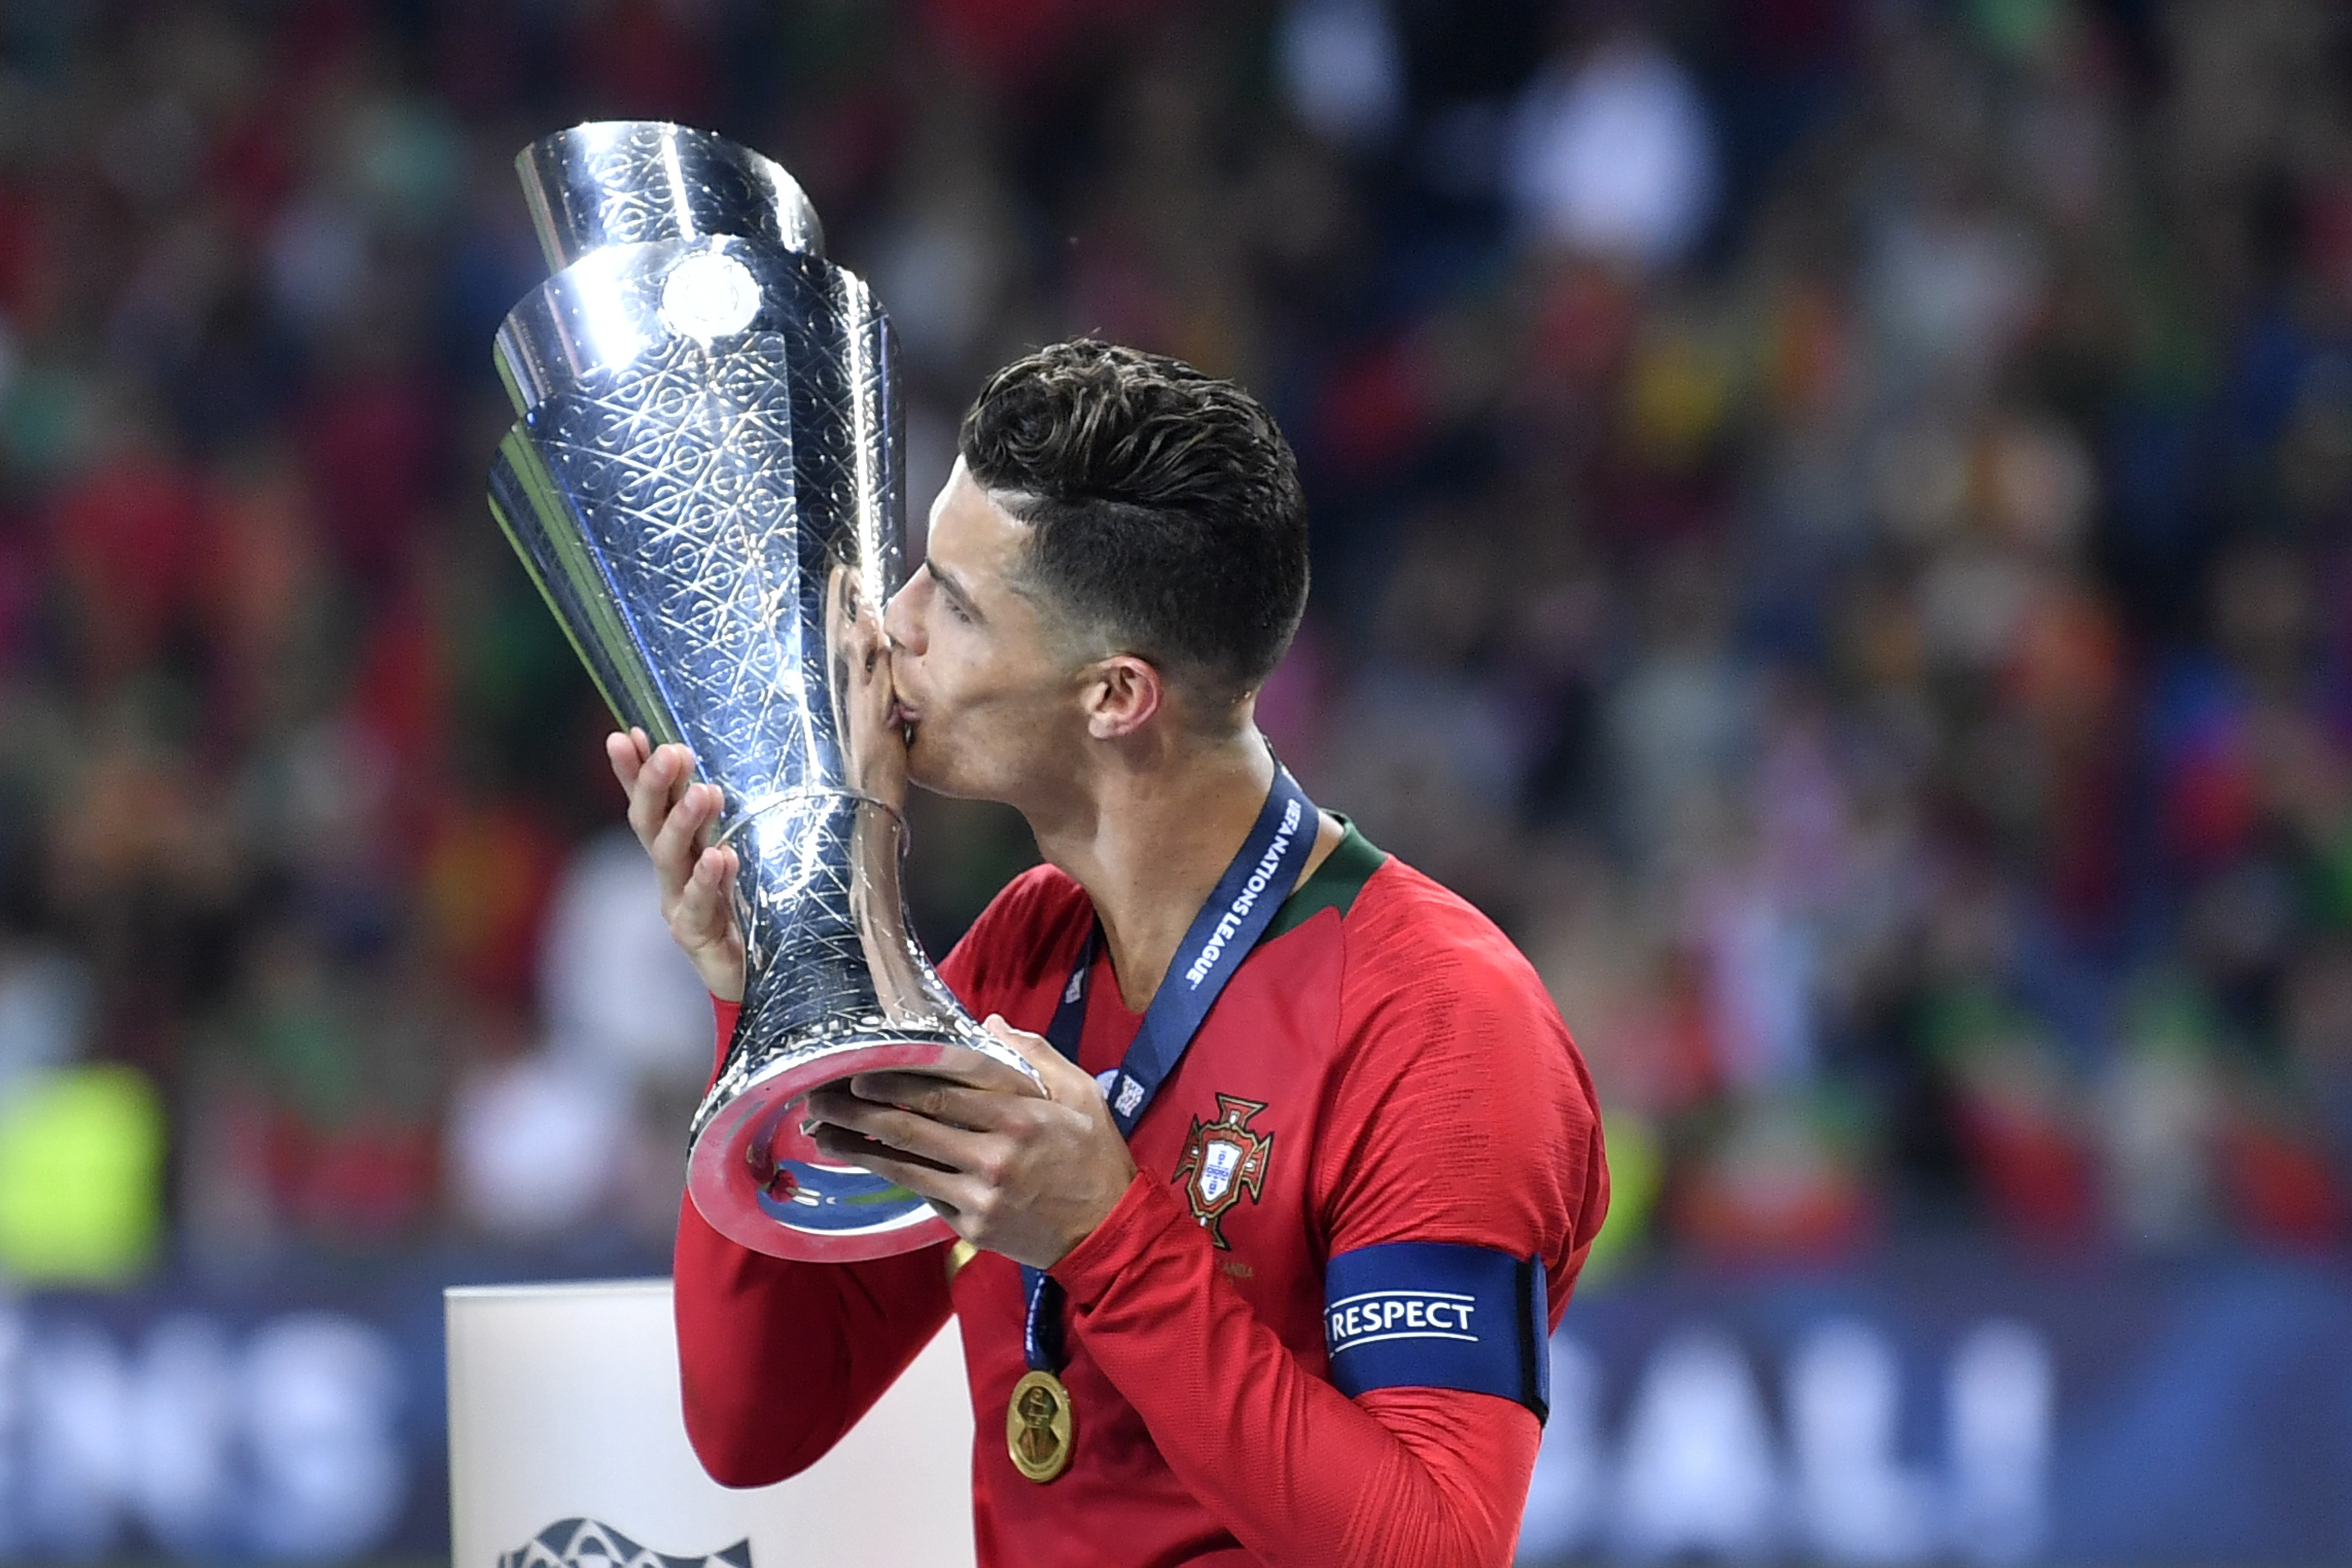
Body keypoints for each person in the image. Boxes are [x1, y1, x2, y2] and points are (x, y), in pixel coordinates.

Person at [608, 340, 1607, 1567]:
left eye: (954, 605)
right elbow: (756, 1423)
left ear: (1114, 697)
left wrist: (1103, 1236)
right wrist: (778, 979)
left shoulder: (1438, 1019)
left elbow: (1436, 1548)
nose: (889, 628)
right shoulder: (1024, 954)